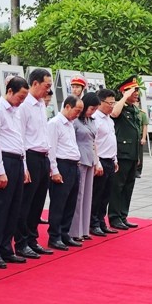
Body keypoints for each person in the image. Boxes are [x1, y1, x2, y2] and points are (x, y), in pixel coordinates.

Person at [0, 76, 29, 270]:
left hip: (18, 160)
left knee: (15, 207)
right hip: (5, 160)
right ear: (10, 91)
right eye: (20, 96)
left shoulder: (17, 111)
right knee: (1, 208)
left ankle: (6, 248)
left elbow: (20, 140)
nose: (22, 101)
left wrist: (25, 166)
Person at [14, 68, 54, 260]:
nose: (48, 90)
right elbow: (20, 136)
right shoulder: (24, 106)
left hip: (43, 157)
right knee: (26, 203)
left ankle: (32, 238)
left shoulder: (40, 105)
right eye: (46, 86)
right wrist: (24, 166)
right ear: (35, 83)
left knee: (38, 202)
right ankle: (21, 242)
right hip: (29, 156)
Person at [46, 95, 83, 250]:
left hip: (74, 166)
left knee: (70, 202)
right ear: (67, 106)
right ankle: (54, 236)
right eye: (77, 110)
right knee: (59, 203)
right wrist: (54, 170)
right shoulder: (54, 123)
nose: (78, 114)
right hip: (61, 165)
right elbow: (51, 148)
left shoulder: (70, 123)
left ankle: (64, 233)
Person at [108, 77, 142, 230]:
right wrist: (124, 97)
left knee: (128, 187)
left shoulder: (134, 109)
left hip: (133, 154)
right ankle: (114, 217)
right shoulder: (119, 106)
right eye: (133, 90)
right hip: (122, 153)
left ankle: (123, 215)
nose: (136, 93)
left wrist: (139, 156)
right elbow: (114, 114)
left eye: (137, 90)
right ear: (125, 92)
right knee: (118, 187)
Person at [69, 93, 101, 241]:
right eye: (91, 108)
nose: (92, 111)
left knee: (88, 195)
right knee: (79, 197)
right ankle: (75, 231)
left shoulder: (91, 121)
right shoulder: (75, 121)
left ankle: (84, 229)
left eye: (95, 109)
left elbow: (94, 143)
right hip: (79, 160)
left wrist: (97, 161)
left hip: (90, 160)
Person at [90, 88, 119, 237]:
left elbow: (111, 140)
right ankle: (93, 222)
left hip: (110, 159)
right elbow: (93, 142)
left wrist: (115, 159)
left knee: (106, 195)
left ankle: (101, 221)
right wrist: (97, 163)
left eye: (114, 103)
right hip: (100, 160)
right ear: (101, 102)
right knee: (97, 194)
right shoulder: (94, 119)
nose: (112, 106)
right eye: (110, 103)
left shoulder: (109, 120)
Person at [136, 98, 148, 178]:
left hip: (139, 136)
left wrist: (143, 138)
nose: (135, 103)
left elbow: (145, 126)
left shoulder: (141, 113)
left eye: (136, 101)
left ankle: (138, 171)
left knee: (139, 154)